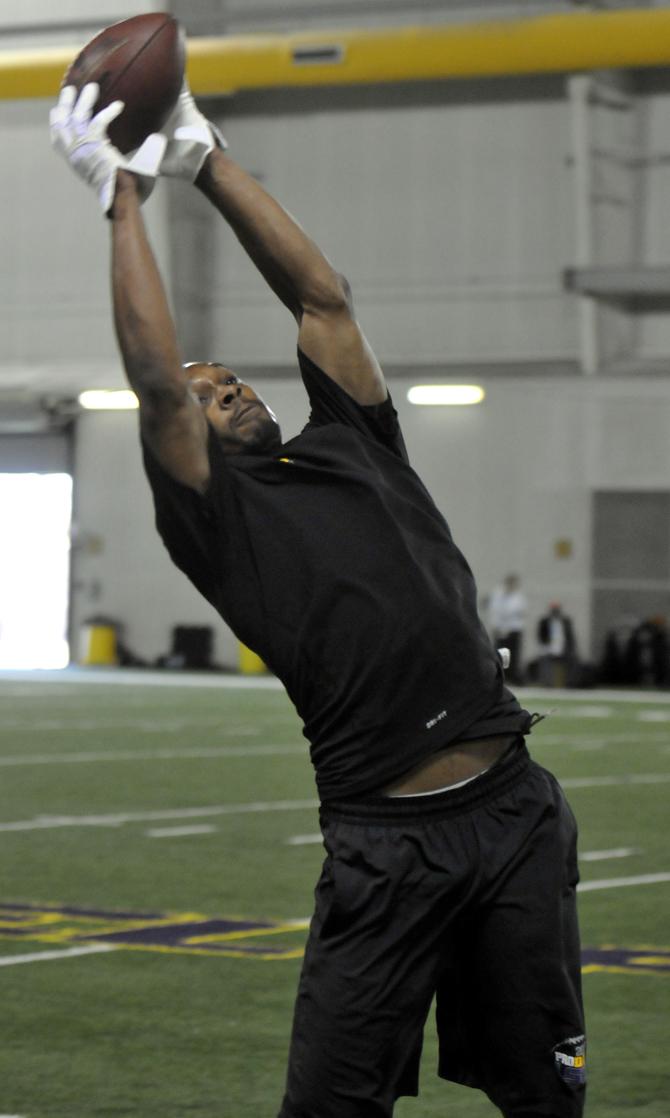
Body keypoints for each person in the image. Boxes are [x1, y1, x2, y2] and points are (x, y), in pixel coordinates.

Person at [51, 79, 586, 1118]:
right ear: (184, 435)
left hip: (516, 809)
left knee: (545, 1091)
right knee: (332, 1107)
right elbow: (154, 377)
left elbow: (323, 299)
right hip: (388, 845)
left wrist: (205, 159)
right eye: (211, 393)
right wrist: (121, 196)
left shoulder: (349, 438)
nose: (230, 388)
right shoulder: (213, 516)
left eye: (234, 379)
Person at [489, 573, 528, 685]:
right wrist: (498, 627)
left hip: (513, 631)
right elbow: (495, 612)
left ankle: (513, 678)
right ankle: (500, 677)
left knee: (513, 656)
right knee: (500, 655)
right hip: (500, 630)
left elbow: (518, 613)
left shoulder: (518, 597)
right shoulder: (498, 595)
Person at [537, 602, 577, 688]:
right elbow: (541, 636)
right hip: (549, 648)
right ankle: (548, 684)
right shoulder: (544, 622)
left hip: (563, 649)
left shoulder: (566, 621)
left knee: (574, 660)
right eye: (554, 610)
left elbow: (570, 637)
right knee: (544, 660)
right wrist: (546, 647)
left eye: (557, 610)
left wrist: (570, 648)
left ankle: (570, 684)